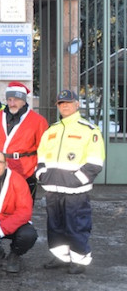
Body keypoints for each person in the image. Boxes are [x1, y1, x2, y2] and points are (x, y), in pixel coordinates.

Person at [37, 89, 105, 274]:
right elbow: (41, 155)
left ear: (77, 104)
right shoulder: (52, 130)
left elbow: (95, 162)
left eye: (68, 102)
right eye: (61, 103)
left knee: (76, 225)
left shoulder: (89, 130)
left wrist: (77, 181)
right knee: (55, 225)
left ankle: (79, 260)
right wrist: (41, 174)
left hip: (76, 191)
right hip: (53, 188)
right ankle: (61, 258)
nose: (64, 105)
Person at [0, 81, 48, 197]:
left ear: (24, 101)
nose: (12, 103)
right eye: (9, 100)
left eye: (16, 100)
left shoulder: (38, 121)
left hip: (26, 170)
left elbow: (44, 148)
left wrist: (36, 170)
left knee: (24, 208)